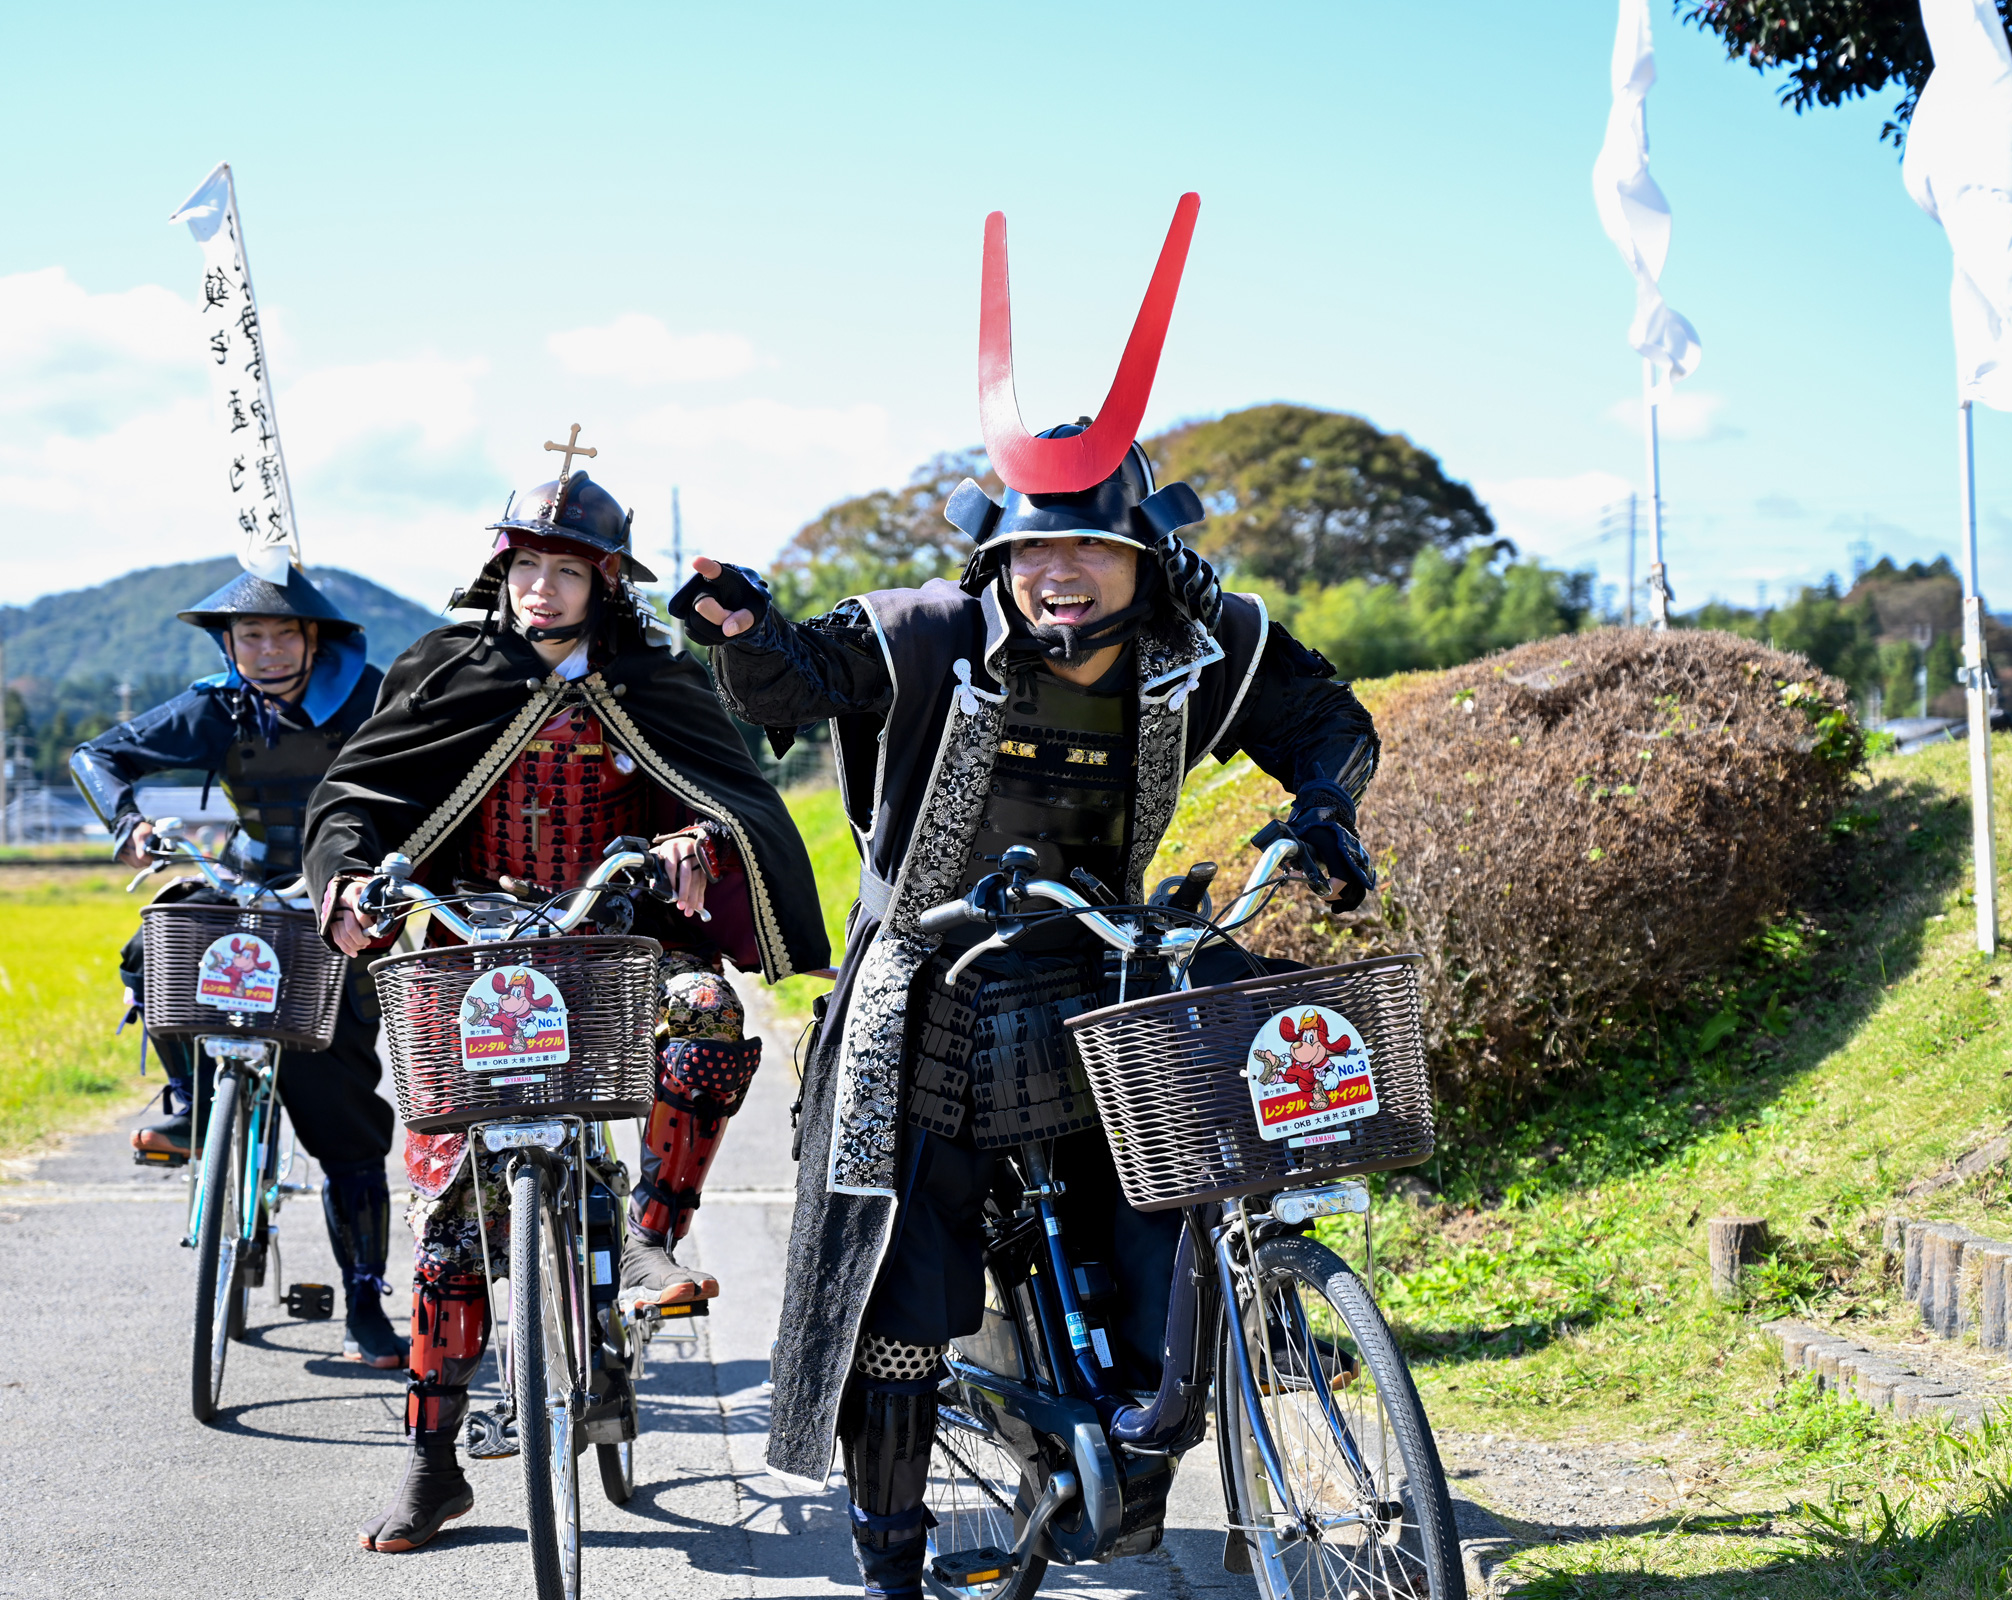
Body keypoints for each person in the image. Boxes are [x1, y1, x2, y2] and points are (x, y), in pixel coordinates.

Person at [678, 195, 1383, 1598]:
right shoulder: (923, 635)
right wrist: (750, 632)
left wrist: (1326, 806)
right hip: (924, 994)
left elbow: (1326, 721)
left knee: (1168, 1235)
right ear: (998, 562)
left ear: (1141, 556)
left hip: (1104, 980)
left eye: (1091, 549)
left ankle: (1134, 1445)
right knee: (901, 1293)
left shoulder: (1204, 646)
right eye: (1032, 553)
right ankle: (890, 1556)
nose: (1060, 575)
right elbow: (797, 687)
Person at [300, 456, 829, 1552]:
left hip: (617, 944)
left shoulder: (654, 675)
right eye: (526, 566)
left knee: (710, 1018)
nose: (541, 589)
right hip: (474, 953)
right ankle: (433, 1462)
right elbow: (359, 791)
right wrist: (350, 877)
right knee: (449, 1227)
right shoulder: (446, 665)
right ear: (500, 569)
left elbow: (728, 793)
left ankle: (649, 1234)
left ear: (605, 582)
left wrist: (700, 837)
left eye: (567, 572)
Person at [68, 564, 406, 1369]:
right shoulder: (218, 704)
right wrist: (131, 823)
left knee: (345, 1125)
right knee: (158, 947)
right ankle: (189, 1101)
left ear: (314, 637)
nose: (265, 649)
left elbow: (428, 777)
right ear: (228, 643)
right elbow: (98, 756)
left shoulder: (372, 698)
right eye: (247, 635)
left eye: (282, 632)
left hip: (341, 897)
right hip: (248, 878)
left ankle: (364, 1299)